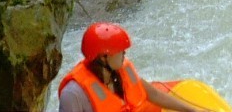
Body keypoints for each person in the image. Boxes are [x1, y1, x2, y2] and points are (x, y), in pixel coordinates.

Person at [57, 22, 213, 112]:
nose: (124, 52)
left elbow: (154, 95)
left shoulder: (120, 70)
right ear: (103, 57)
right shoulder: (73, 94)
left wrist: (192, 110)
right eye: (119, 51)